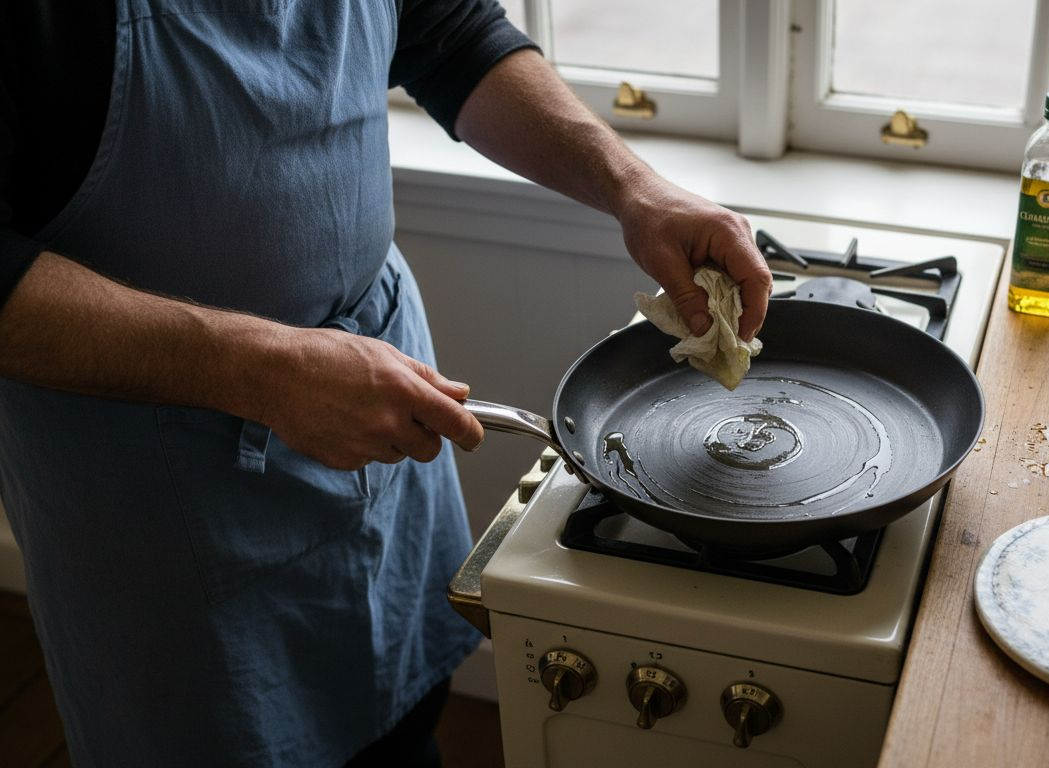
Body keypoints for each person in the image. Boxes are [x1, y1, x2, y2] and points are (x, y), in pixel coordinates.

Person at [0, 1, 772, 765]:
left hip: (377, 390)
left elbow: (450, 35)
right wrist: (258, 368)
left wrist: (634, 187)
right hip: (162, 494)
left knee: (401, 725)